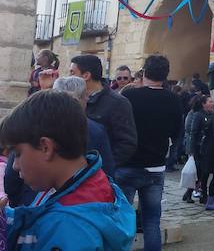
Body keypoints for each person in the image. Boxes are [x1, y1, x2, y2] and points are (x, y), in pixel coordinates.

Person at [0, 90, 135, 249]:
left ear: (45, 148)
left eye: (17, 153)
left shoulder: (67, 226)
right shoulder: (92, 184)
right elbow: (36, 217)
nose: (14, 165)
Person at [118, 55, 184, 251]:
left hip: (129, 164)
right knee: (152, 221)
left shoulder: (130, 96)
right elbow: (176, 132)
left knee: (122, 219)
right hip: (155, 166)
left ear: (144, 72)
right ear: (165, 75)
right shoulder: (173, 99)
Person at [73, 54, 137, 170]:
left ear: (86, 75)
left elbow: (126, 144)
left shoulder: (117, 103)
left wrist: (102, 167)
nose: (69, 77)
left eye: (72, 73)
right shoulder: (73, 99)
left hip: (99, 175)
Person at [183, 95, 214, 204]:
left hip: (207, 148)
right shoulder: (197, 115)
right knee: (199, 172)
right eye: (210, 101)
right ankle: (196, 193)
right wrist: (191, 151)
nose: (212, 103)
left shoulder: (211, 114)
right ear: (203, 104)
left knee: (203, 173)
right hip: (198, 149)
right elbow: (193, 133)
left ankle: (194, 193)